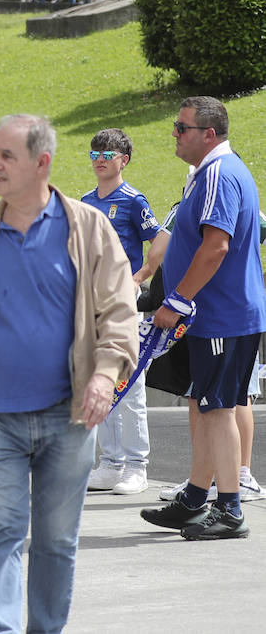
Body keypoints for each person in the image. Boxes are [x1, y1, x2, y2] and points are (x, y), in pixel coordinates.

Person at [0, 113, 138, 633]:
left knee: (56, 541)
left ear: (41, 162)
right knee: (2, 530)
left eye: (8, 156)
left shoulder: (88, 228)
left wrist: (103, 376)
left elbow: (120, 311)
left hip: (67, 416)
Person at [141, 97, 266, 540]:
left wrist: (175, 301)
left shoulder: (217, 173)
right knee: (206, 403)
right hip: (216, 314)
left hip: (221, 314)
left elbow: (216, 246)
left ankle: (229, 509)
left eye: (181, 127)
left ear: (208, 134)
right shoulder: (210, 173)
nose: (174, 133)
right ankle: (196, 498)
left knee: (217, 410)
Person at [81, 128, 164, 496]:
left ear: (123, 160)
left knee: (128, 383)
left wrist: (141, 276)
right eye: (94, 154)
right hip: (91, 302)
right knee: (98, 381)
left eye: (107, 154)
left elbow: (160, 241)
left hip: (123, 302)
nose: (100, 160)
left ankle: (136, 466)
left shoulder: (133, 200)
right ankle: (110, 463)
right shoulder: (85, 201)